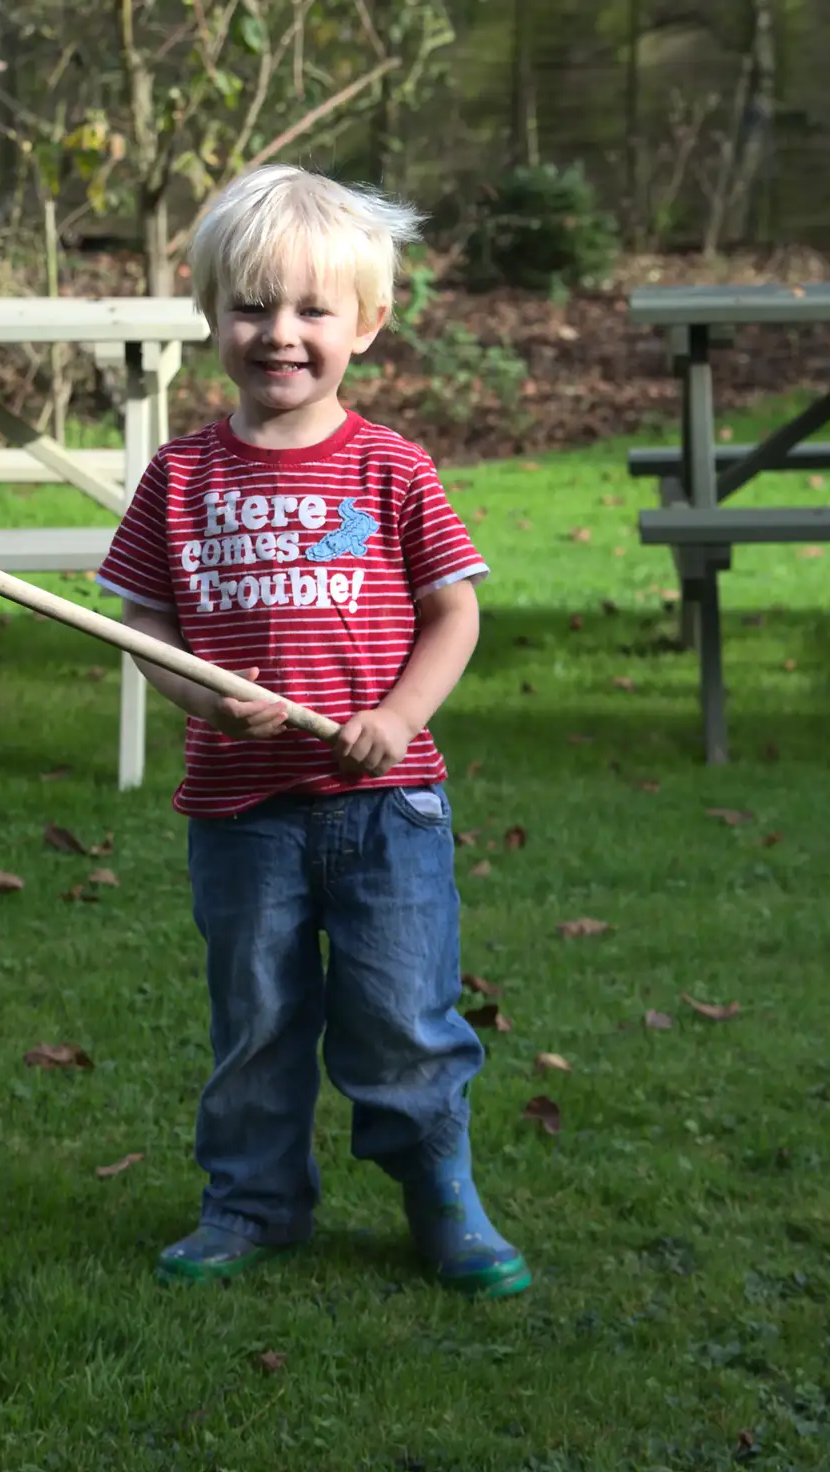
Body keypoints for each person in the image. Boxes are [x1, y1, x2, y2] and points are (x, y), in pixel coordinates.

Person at [95, 164, 530, 1299]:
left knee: (400, 1016)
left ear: (368, 325)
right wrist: (200, 698)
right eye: (250, 305)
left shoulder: (392, 468)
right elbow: (142, 623)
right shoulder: (181, 475)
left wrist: (396, 714)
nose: (278, 334)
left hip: (385, 807)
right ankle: (253, 1201)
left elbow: (455, 610)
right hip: (242, 813)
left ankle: (443, 1195)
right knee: (258, 1016)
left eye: (311, 310)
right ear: (209, 315)